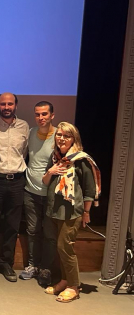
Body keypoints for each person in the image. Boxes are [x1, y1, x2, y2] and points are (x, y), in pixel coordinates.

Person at [42, 122, 100, 303]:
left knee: (65, 247)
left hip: (72, 211)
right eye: (59, 135)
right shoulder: (55, 157)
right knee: (60, 248)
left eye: (66, 136)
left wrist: (87, 213)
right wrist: (51, 171)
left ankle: (74, 286)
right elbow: (45, 182)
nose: (61, 138)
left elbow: (89, 190)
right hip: (55, 210)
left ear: (74, 138)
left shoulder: (81, 160)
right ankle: (65, 280)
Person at [0, 93, 29, 282]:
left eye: (10, 104)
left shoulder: (24, 126)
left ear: (16, 105)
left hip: (17, 180)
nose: (6, 107)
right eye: (3, 104)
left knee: (12, 225)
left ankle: (7, 263)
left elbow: (24, 153)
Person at [20, 101, 56, 285]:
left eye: (44, 114)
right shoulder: (31, 132)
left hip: (50, 194)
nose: (41, 118)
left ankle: (46, 268)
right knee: (32, 231)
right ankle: (32, 265)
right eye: (37, 114)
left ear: (52, 115)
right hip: (30, 191)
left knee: (49, 234)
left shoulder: (60, 136)